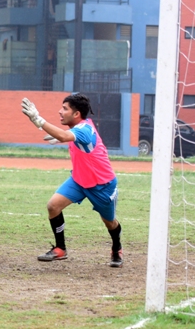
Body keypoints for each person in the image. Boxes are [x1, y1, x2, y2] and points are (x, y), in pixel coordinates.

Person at [21, 93, 123, 267]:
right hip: (78, 180)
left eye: (65, 109)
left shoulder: (84, 129)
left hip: (101, 185)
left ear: (76, 114)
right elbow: (66, 136)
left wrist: (37, 119)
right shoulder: (79, 128)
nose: (60, 112)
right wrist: (61, 135)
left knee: (110, 222)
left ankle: (116, 247)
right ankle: (60, 248)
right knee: (53, 206)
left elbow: (64, 136)